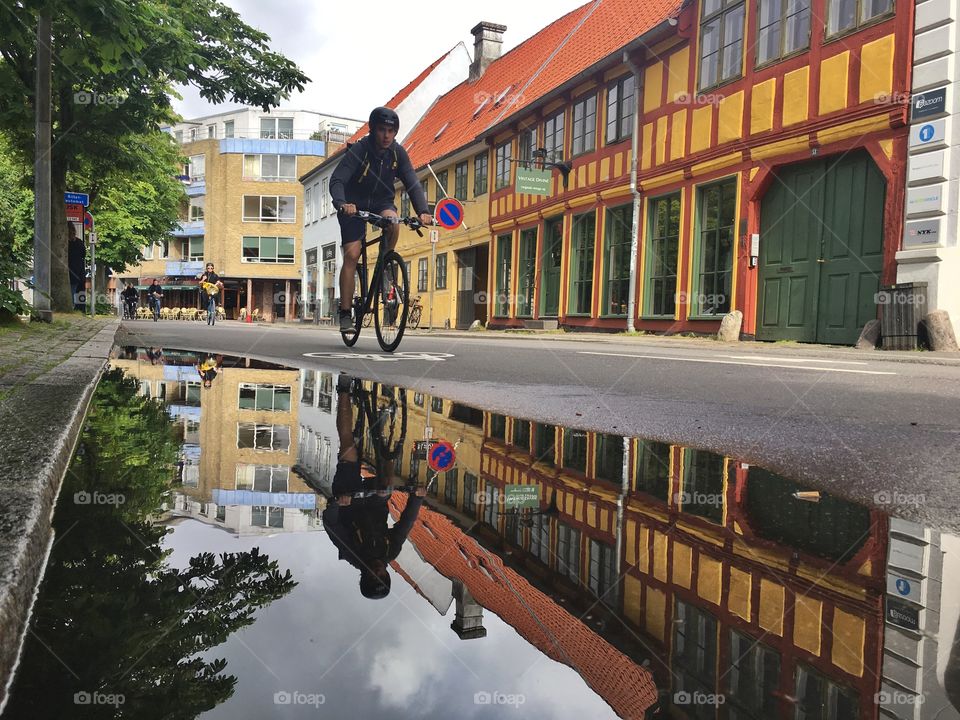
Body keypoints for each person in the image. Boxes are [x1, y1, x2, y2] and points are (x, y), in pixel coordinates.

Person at [329, 106, 433, 332]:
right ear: (373, 129)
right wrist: (341, 203)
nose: (386, 136)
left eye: (391, 131)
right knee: (352, 254)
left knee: (393, 222)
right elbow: (337, 180)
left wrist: (423, 210)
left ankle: (385, 266)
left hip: (381, 203)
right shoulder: (360, 150)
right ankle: (346, 313)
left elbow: (413, 183)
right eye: (382, 130)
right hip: (353, 205)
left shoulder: (397, 153)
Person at [322, 374, 425, 599]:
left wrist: (337, 505)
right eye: (383, 576)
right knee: (387, 481)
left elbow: (331, 524)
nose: (378, 571)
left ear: (364, 576)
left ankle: (344, 390)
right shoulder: (391, 551)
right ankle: (386, 436)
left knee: (348, 448)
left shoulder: (352, 554)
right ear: (388, 576)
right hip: (375, 501)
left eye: (372, 576)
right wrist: (416, 498)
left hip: (349, 500)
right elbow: (406, 523)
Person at [68, 224, 86, 311]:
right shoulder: (79, 242)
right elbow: (84, 254)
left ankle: (71, 307)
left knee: (71, 292)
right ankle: (77, 309)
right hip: (78, 272)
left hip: (70, 271)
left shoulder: (65, 243)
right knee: (77, 293)